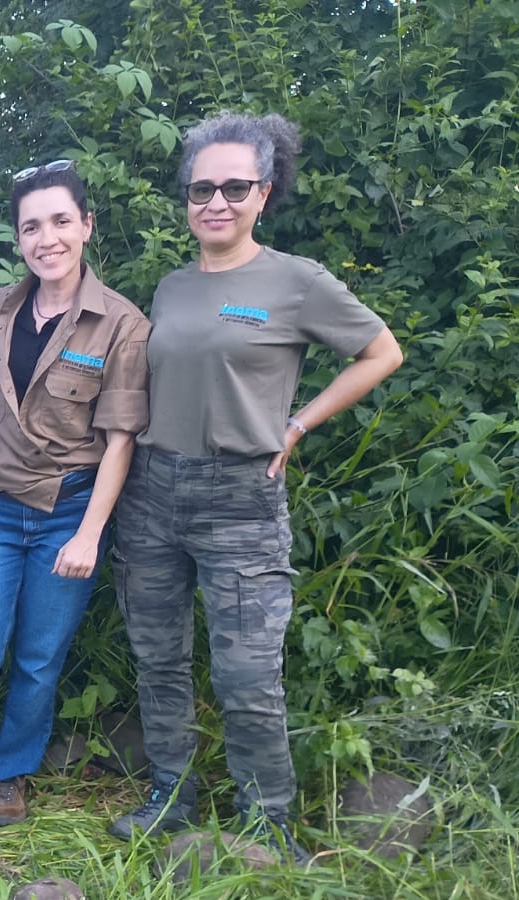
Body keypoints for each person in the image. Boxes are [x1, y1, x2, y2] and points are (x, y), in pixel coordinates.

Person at [107, 112, 403, 862]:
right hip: (152, 490)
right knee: (159, 656)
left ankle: (267, 821)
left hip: (241, 497)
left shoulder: (295, 282)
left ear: (263, 193)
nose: (216, 201)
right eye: (201, 188)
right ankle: (170, 798)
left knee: (246, 673)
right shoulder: (171, 288)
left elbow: (381, 352)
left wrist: (298, 424)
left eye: (235, 187)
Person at [0, 161, 151, 827]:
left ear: (86, 226)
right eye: (32, 226)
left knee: (40, 659)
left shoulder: (121, 325)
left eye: (60, 222)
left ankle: (8, 778)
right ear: (18, 238)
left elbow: (122, 439)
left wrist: (89, 533)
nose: (47, 238)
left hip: (68, 514)